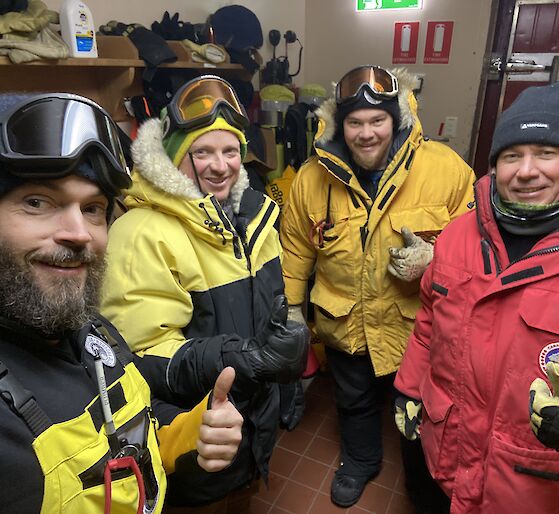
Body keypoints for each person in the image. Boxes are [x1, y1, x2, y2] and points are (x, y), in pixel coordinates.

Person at [0, 92, 244, 513]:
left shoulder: (93, 332)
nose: (79, 232)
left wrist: (191, 431)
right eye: (37, 202)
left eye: (93, 208)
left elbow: (135, 426)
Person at [100, 75, 309, 512]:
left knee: (241, 497)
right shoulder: (142, 233)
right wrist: (244, 359)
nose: (221, 166)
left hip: (251, 427)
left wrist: (287, 341)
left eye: (230, 150)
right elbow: (138, 356)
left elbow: (274, 305)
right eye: (202, 152)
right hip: (194, 432)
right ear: (173, 158)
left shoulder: (254, 215)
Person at [394, 81, 559, 513]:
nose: (526, 170)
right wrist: (409, 389)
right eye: (511, 156)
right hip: (447, 460)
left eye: (547, 153)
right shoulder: (457, 236)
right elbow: (429, 322)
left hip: (537, 488)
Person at [279, 64, 475, 508]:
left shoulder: (445, 169)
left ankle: (422, 478)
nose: (366, 133)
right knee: (355, 402)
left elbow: (476, 242)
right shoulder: (312, 178)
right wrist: (292, 312)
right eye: (354, 122)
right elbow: (294, 251)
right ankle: (361, 460)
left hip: (416, 328)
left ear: (397, 118)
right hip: (345, 321)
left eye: (377, 120)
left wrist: (435, 259)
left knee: (421, 411)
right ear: (338, 124)